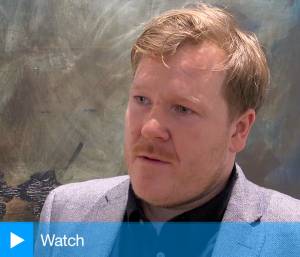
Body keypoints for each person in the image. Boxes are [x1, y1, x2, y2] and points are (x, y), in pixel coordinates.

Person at [39, 2, 300, 257]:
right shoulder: (64, 212)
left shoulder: (292, 236)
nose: (150, 129)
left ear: (239, 130)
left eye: (182, 109)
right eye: (142, 100)